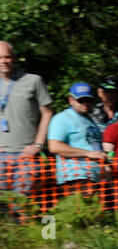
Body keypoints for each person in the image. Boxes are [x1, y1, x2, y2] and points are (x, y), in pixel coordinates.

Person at [0, 40, 54, 202]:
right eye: (0, 58)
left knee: (20, 204)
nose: (4, 61)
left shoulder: (33, 81)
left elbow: (47, 112)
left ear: (14, 58)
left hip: (26, 155)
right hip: (1, 154)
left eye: (7, 57)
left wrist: (38, 144)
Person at [47, 82, 108, 198]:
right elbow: (54, 147)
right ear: (71, 100)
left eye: (88, 100)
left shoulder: (92, 122)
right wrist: (88, 153)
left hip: (94, 178)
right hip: (75, 178)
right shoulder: (62, 118)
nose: (85, 103)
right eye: (81, 100)